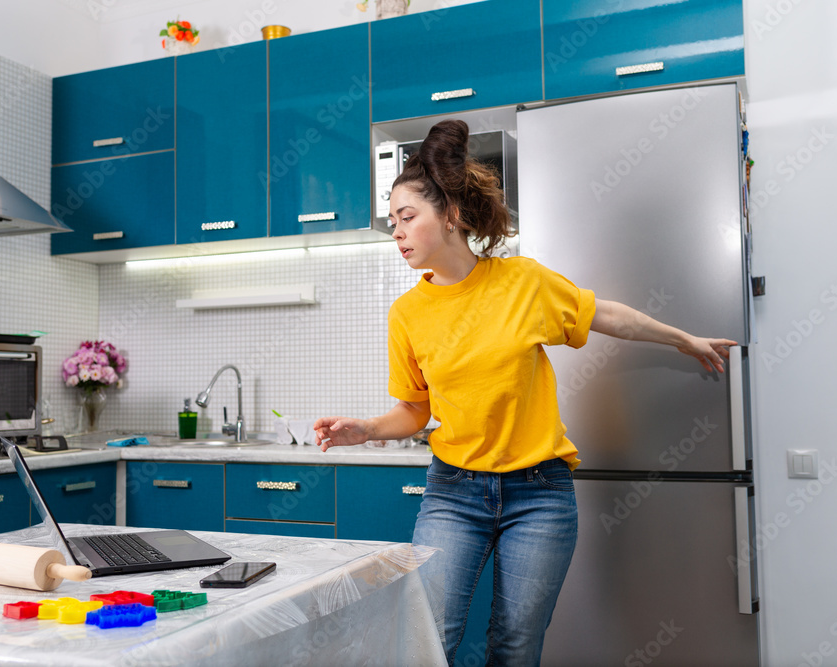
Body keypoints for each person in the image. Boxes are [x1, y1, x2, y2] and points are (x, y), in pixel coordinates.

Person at [313, 119, 736, 666]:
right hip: (454, 492)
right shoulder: (407, 314)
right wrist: (367, 429)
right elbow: (416, 410)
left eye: (407, 217)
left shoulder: (522, 282)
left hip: (539, 495)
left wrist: (683, 339)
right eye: (392, 220)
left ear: (451, 215)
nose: (396, 231)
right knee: (429, 637)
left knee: (515, 645)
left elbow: (605, 315)